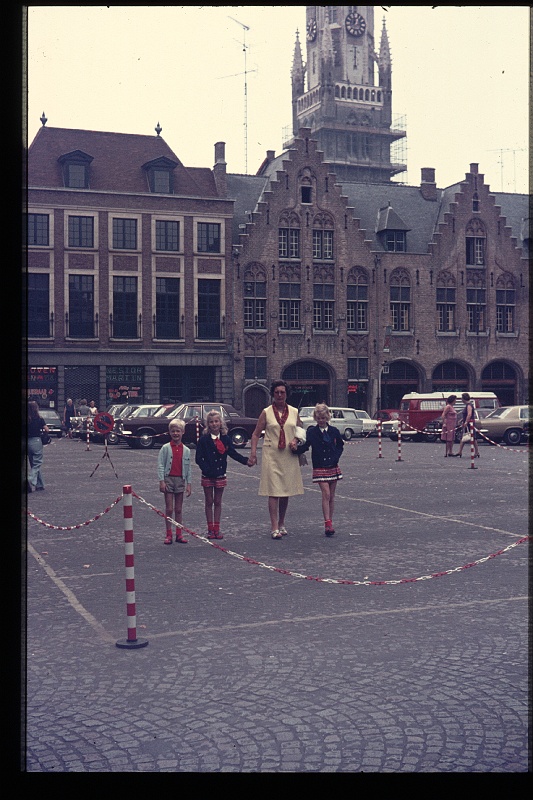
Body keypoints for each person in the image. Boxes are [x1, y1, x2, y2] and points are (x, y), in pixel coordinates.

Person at [249, 380, 304, 539]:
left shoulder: (294, 411)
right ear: (273, 394)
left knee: (285, 491)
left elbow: (300, 430)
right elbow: (255, 434)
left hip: (288, 455)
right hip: (271, 454)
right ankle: (274, 527)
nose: (280, 395)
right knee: (273, 491)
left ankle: (282, 523)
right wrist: (253, 453)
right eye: (277, 392)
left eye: (282, 392)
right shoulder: (266, 412)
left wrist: (297, 440)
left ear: (287, 394)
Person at [195, 410, 253, 540]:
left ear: (220, 423)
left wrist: (246, 461)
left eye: (216, 421)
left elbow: (232, 453)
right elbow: (198, 458)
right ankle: (210, 529)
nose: (214, 424)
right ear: (208, 424)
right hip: (208, 474)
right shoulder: (204, 440)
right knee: (209, 501)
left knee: (218, 502)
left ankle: (217, 528)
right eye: (211, 422)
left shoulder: (226, 439)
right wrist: (207, 469)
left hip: (220, 473)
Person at [292, 403, 344, 537]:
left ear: (327, 417)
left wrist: (336, 457)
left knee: (332, 496)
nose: (321, 421)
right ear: (316, 418)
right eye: (319, 418)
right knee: (326, 494)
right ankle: (327, 523)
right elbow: (306, 446)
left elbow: (340, 445)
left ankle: (330, 522)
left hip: (332, 465)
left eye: (323, 418)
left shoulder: (334, 431)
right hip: (320, 466)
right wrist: (295, 450)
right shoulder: (312, 432)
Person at [157, 419, 192, 544]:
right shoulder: (165, 448)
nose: (176, 433)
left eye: (178, 431)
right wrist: (162, 480)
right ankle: (168, 534)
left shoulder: (186, 450)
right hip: (168, 479)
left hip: (180, 480)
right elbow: (161, 465)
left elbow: (188, 468)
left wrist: (189, 483)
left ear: (183, 432)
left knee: (178, 509)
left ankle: (179, 533)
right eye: (173, 431)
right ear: (169, 432)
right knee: (169, 508)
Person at [27, 400, 49, 492]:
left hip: (26, 441)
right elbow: (46, 429)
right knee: (37, 463)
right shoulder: (39, 419)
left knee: (33, 462)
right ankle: (30, 479)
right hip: (36, 441)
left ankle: (40, 485)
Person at [457, 392, 480, 458]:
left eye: (462, 398)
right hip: (468, 423)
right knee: (468, 437)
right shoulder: (468, 405)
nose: (461, 400)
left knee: (470, 437)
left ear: (464, 399)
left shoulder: (469, 405)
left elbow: (469, 414)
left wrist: (466, 422)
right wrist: (462, 420)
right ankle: (461, 451)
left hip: (470, 424)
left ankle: (475, 452)